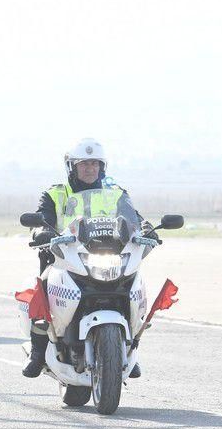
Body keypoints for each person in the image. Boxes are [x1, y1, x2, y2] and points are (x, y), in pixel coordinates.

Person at [22, 138, 150, 378]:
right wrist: (41, 231)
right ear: (72, 166)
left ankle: (129, 349)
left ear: (102, 167)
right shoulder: (55, 194)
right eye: (84, 164)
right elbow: (41, 217)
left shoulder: (116, 194)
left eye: (95, 164)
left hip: (109, 256)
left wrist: (145, 228)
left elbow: (135, 220)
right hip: (63, 258)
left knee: (134, 286)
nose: (90, 169)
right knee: (40, 287)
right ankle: (37, 354)